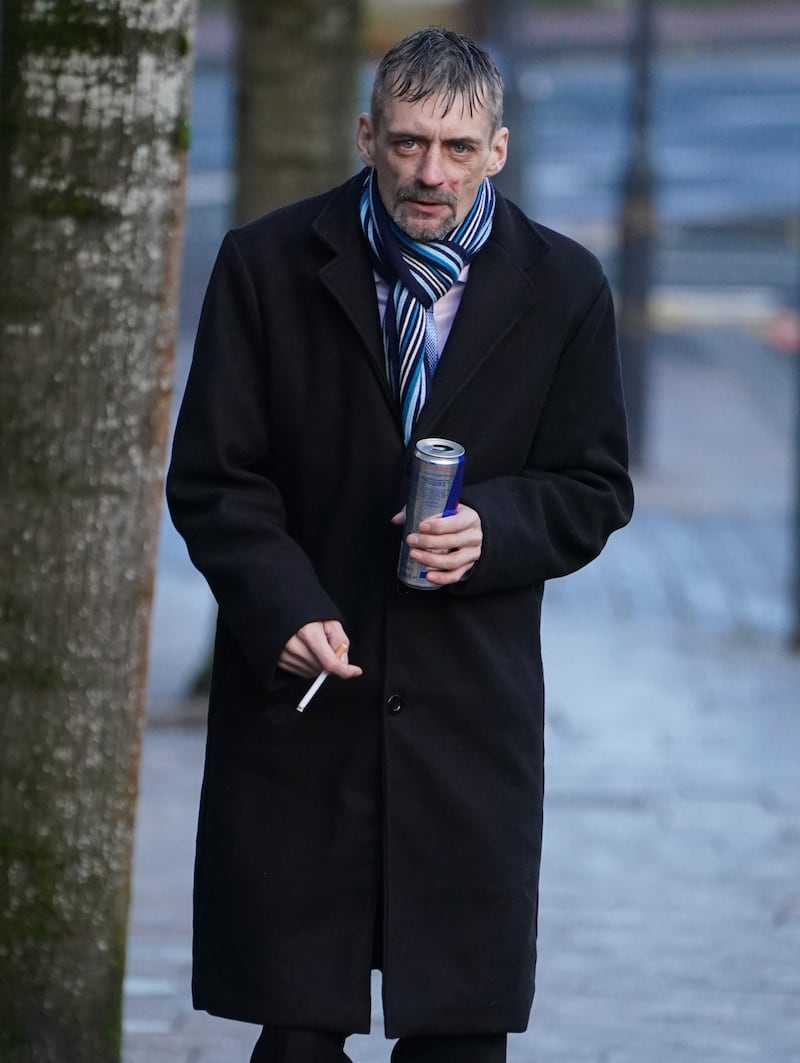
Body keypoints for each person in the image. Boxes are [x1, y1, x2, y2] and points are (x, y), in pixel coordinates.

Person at [166, 26, 633, 1063]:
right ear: (366, 134)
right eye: (411, 142)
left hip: (471, 713)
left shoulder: (564, 287)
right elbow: (214, 477)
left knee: (457, 1034)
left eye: (457, 149)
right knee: (293, 1034)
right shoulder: (264, 265)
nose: (431, 173)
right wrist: (280, 606)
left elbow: (594, 486)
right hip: (302, 707)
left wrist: (494, 529)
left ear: (496, 151)